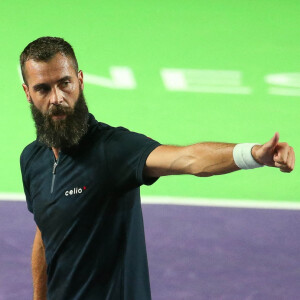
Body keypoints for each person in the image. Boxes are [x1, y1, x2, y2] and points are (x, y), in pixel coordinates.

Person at [20, 36, 295, 300]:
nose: (57, 97)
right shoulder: (32, 160)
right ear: (28, 93)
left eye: (65, 83)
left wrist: (255, 154)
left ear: (80, 81)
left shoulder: (114, 150)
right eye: (43, 88)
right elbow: (45, 235)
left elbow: (190, 159)